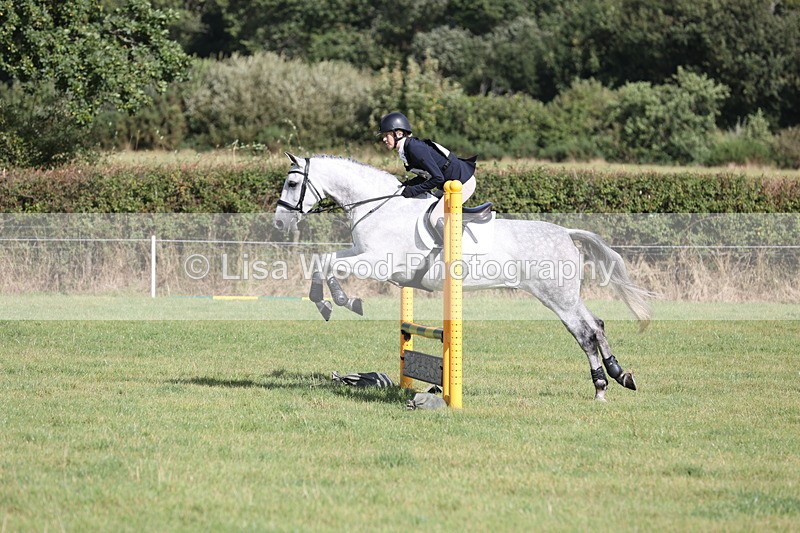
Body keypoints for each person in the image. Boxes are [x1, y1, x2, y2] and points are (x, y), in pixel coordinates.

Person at [378, 111, 477, 242]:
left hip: (463, 182)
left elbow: (437, 178)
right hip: (448, 184)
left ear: (399, 134)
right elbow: (426, 175)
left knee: (434, 217)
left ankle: (453, 253)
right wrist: (405, 186)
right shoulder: (407, 148)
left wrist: (413, 190)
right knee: (425, 207)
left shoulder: (414, 148)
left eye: (387, 135)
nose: (384, 139)